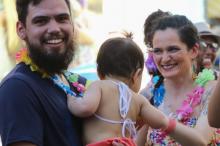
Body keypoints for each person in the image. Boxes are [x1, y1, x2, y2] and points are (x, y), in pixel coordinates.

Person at [0, 0, 123, 146]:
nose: (54, 28)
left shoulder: (76, 82)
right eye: (41, 21)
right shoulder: (17, 88)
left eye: (62, 19)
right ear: (21, 29)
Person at [66, 35, 175, 146]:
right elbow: (161, 121)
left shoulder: (98, 86)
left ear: (99, 72)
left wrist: (72, 99)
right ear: (137, 75)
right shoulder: (139, 100)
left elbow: (85, 108)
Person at [142, 14, 219, 145]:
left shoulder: (210, 90)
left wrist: (165, 123)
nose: (165, 58)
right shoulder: (150, 93)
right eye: (158, 51)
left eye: (172, 49)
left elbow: (201, 141)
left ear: (194, 50)